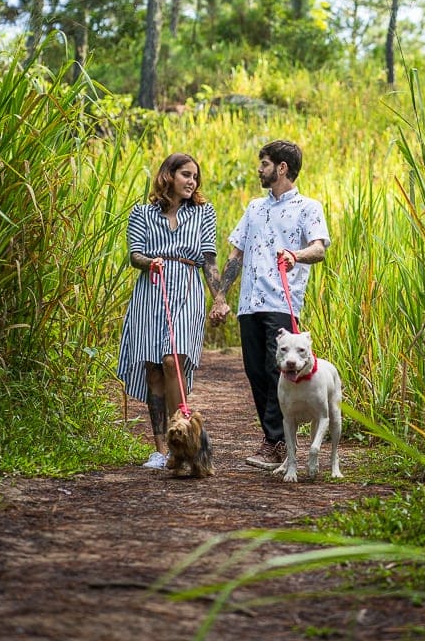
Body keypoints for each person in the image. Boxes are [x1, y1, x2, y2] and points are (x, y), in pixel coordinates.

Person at [210, 140, 330, 470]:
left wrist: (295, 255)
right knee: (254, 373)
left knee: (276, 369)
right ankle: (275, 441)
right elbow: (236, 255)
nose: (259, 170)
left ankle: (273, 441)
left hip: (283, 300)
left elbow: (318, 250)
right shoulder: (253, 208)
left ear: (281, 168)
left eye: (264, 164)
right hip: (249, 304)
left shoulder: (309, 207)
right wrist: (221, 295)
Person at [117, 152, 227, 469]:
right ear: (169, 175)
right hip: (152, 287)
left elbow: (209, 260)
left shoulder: (204, 213)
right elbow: (134, 255)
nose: (192, 182)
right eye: (186, 175)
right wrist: (150, 261)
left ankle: (185, 440)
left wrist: (218, 298)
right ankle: (161, 449)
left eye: (195, 177)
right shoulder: (141, 213)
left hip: (188, 287)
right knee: (154, 369)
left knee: (172, 359)